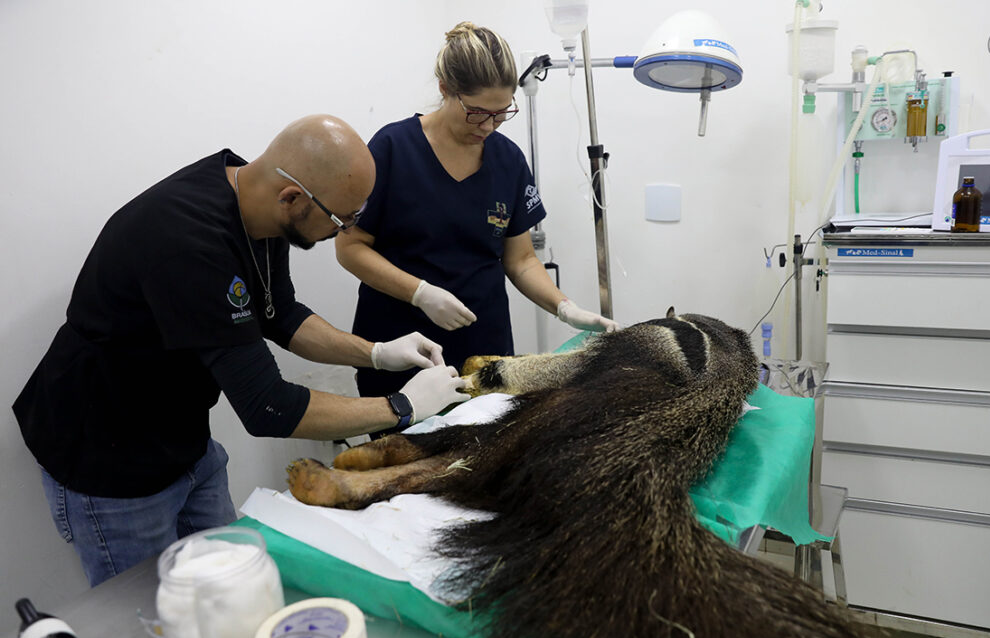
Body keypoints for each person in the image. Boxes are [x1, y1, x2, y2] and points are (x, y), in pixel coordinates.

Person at [12, 115, 470, 586]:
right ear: (292, 198)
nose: (345, 230)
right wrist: (402, 406)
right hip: (109, 458)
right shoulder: (188, 244)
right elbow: (269, 406)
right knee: (154, 617)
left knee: (229, 584)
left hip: (183, 441)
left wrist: (375, 353)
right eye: (341, 220)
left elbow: (281, 313)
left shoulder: (259, 205)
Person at [336, 21, 618, 402]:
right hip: (400, 348)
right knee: (404, 456)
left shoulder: (508, 160)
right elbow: (350, 247)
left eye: (501, 114)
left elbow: (519, 261)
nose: (488, 126)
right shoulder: (392, 149)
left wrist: (564, 307)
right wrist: (420, 293)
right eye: (477, 113)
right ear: (445, 90)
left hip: (484, 351)